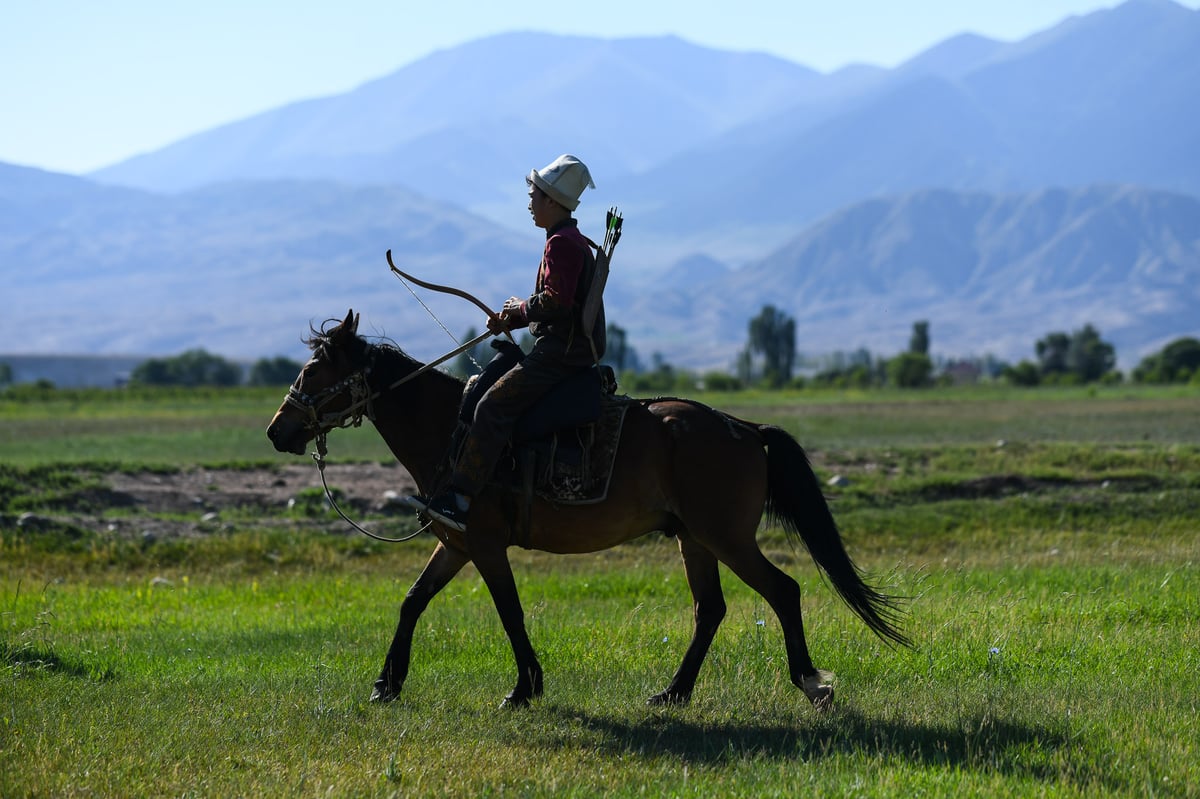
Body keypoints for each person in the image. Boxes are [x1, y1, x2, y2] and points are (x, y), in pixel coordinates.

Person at [420, 154, 606, 532]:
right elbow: (558, 305)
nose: (530, 203)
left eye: (535, 195)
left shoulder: (562, 244)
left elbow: (555, 302)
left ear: (553, 201)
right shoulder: (570, 240)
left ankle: (460, 499)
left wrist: (518, 310)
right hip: (565, 349)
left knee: (490, 407)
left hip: (559, 355)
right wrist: (515, 316)